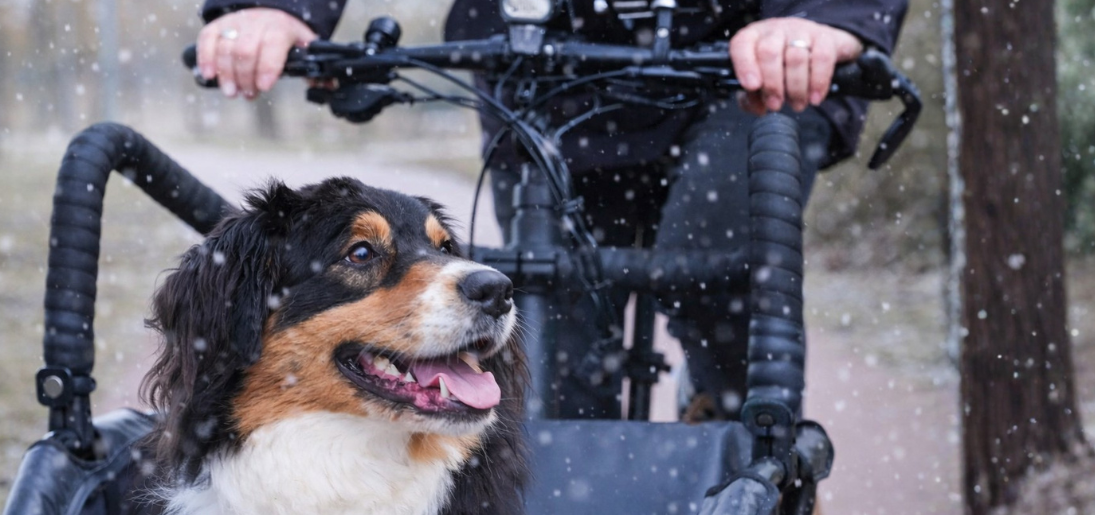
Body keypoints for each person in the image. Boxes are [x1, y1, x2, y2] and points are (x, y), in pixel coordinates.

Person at [192, 0, 906, 422]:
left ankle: (758, 462)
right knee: (553, 359)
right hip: (546, 72)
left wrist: (824, 18)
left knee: (714, 282)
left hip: (747, 67)